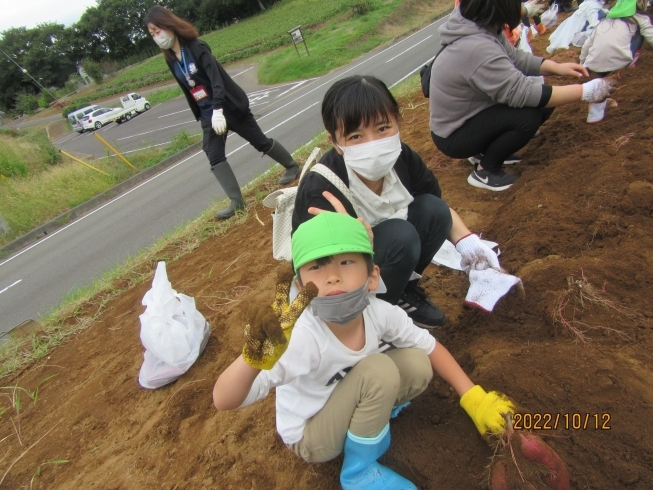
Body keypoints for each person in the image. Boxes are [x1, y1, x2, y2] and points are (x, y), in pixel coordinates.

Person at [213, 211, 515, 490]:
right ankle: (358, 471)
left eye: (346, 261)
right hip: (313, 434)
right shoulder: (301, 339)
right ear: (299, 285)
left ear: (372, 276)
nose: (332, 276)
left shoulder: (379, 313)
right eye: (316, 266)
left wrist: (474, 398)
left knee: (416, 363)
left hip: (349, 395)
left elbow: (431, 346)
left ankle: (370, 419)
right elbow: (224, 400)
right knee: (379, 370)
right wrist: (252, 359)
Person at [292, 75, 496, 329]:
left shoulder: (402, 159)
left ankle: (402, 290)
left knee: (434, 210)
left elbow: (437, 208)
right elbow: (314, 270)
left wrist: (470, 246)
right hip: (340, 282)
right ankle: (372, 320)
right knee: (402, 235)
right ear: (335, 142)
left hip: (383, 254)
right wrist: (353, 244)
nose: (374, 144)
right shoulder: (321, 189)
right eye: (356, 136)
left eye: (382, 128)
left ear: (397, 122)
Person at [429, 0, 615, 191]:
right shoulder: (475, 47)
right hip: (454, 134)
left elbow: (515, 58)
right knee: (527, 117)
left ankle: (484, 151)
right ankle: (485, 171)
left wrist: (556, 68)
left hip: (472, 115)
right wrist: (586, 92)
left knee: (543, 103)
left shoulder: (480, 24)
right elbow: (522, 92)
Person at [144, 6, 300, 219]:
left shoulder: (197, 47)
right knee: (213, 153)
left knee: (259, 141)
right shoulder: (171, 59)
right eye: (152, 34)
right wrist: (204, 115)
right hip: (209, 113)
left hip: (229, 106)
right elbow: (189, 89)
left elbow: (216, 79)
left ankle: (291, 166)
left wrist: (218, 108)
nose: (156, 37)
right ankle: (237, 201)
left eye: (157, 30)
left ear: (168, 25)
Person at [580, 0, 653, 122]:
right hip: (618, 64)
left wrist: (583, 64)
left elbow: (587, 45)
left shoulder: (604, 20)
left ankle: (597, 106)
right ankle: (628, 68)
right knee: (640, 35)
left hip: (592, 64)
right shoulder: (640, 19)